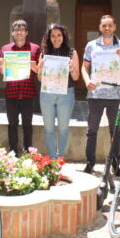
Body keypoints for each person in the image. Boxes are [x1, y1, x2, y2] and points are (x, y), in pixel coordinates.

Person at [81, 14, 120, 174]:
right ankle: (90, 163)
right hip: (95, 94)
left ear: (115, 27)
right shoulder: (91, 46)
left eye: (110, 25)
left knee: (115, 130)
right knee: (92, 130)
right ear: (100, 27)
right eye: (104, 26)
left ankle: (115, 164)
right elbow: (84, 67)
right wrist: (87, 80)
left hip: (115, 95)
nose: (107, 28)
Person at [0, 19, 41, 155]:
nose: (19, 32)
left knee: (27, 124)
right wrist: (2, 66)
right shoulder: (5, 49)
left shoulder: (35, 48)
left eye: (22, 29)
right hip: (12, 93)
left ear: (27, 32)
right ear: (12, 32)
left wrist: (35, 67)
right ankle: (13, 152)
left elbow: (40, 69)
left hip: (28, 92)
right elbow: (1, 70)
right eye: (16, 29)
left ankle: (28, 151)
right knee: (12, 124)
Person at [37, 23, 79, 159]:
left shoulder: (72, 52)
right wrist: (41, 68)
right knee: (48, 129)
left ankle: (60, 158)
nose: (56, 38)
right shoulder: (44, 53)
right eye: (53, 35)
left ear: (64, 36)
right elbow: (39, 78)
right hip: (47, 94)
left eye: (59, 35)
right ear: (49, 37)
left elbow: (76, 77)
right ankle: (52, 158)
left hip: (66, 94)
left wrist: (72, 68)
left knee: (63, 129)